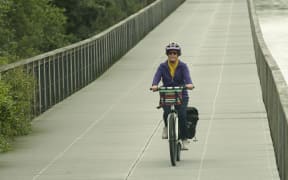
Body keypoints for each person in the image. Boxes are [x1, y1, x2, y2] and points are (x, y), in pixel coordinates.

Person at [151, 42, 194, 150]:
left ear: (178, 54)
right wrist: (154, 85)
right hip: (167, 93)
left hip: (181, 93)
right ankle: (166, 126)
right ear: (167, 54)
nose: (172, 55)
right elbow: (157, 76)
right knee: (166, 112)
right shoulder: (162, 66)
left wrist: (189, 84)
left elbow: (187, 77)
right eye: (170, 53)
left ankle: (184, 139)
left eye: (175, 53)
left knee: (182, 115)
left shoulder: (183, 66)